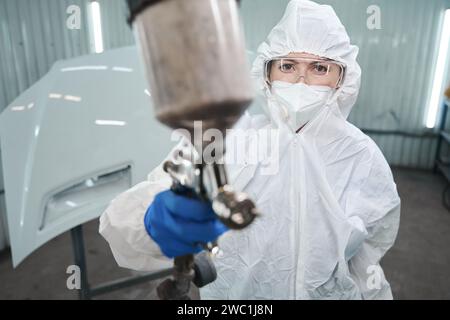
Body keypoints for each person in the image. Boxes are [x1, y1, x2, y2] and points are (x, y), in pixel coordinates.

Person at [99, 0, 400, 299]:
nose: (302, 81)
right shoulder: (231, 137)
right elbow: (122, 217)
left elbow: (366, 262)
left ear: (342, 77)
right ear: (267, 73)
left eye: (319, 67)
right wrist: (151, 220)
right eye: (287, 66)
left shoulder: (362, 157)